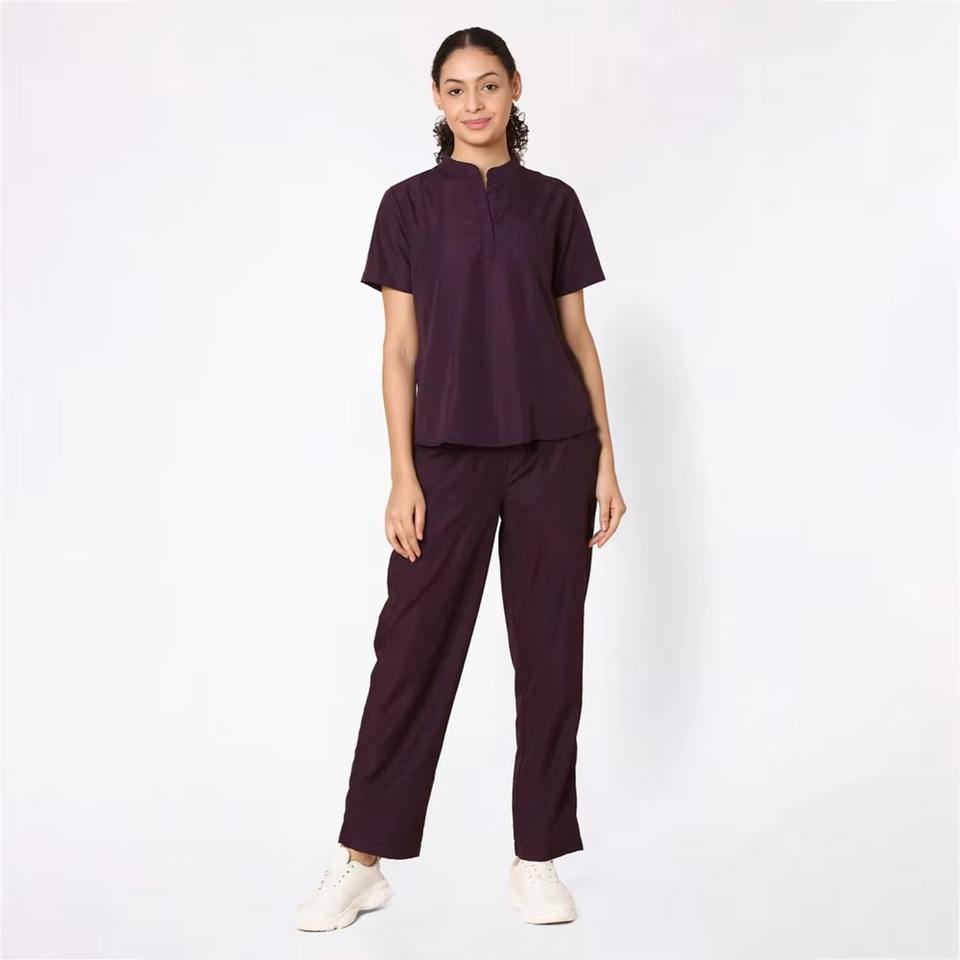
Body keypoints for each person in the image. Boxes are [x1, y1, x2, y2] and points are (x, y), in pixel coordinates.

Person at [296, 26, 626, 933]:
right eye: (455, 88)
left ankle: (538, 857)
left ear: (515, 88)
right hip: (444, 453)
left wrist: (606, 456)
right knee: (409, 653)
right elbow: (399, 350)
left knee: (550, 652)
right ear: (437, 99)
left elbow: (578, 338)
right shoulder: (407, 206)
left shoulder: (554, 203)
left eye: (488, 85)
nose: (473, 103)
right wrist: (402, 474)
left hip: (554, 449)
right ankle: (361, 860)